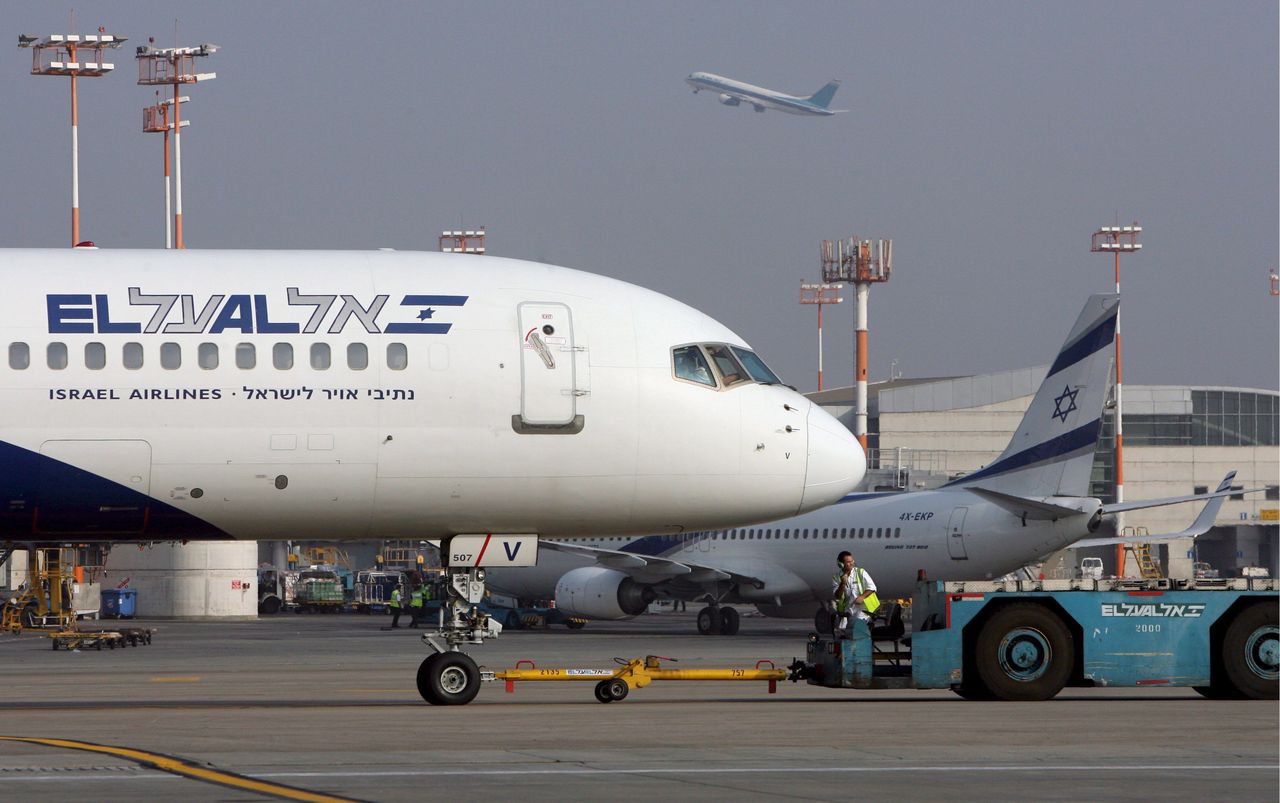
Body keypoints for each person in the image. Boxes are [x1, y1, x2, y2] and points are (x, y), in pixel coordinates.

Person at [831, 551, 877, 635]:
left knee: (855, 629)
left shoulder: (860, 572)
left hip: (862, 610)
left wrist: (862, 597)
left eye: (852, 561)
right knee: (841, 632)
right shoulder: (837, 578)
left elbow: (872, 587)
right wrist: (843, 583)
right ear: (841, 564)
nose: (852, 563)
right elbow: (837, 596)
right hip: (848, 610)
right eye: (848, 562)